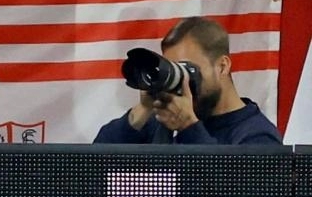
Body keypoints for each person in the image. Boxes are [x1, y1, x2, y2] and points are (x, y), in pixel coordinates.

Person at [94, 17, 282, 145]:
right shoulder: (164, 123)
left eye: (188, 69)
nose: (182, 81)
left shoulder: (257, 135)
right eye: (175, 70)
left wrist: (189, 128)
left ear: (222, 67)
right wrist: (143, 109)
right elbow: (94, 163)